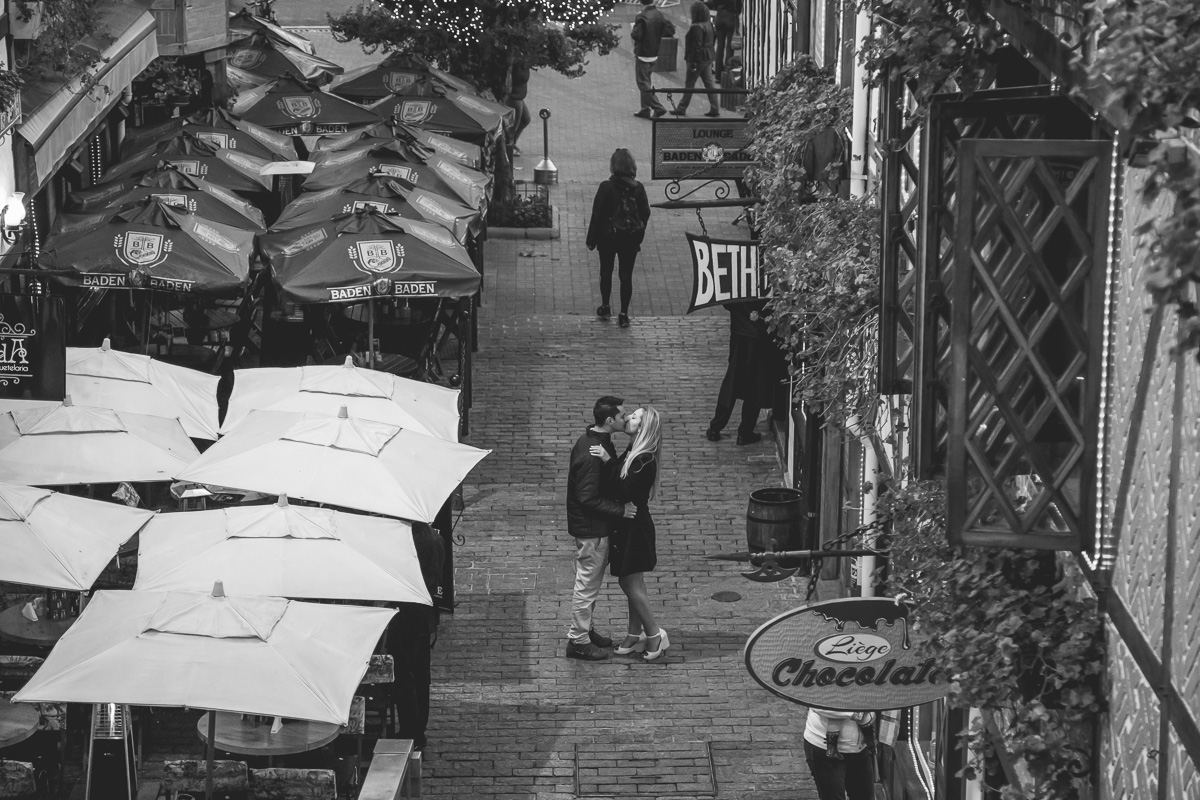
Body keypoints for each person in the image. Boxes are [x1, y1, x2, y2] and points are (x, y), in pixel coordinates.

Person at [590, 406, 670, 662]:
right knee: (634, 584)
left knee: (629, 583)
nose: (629, 419)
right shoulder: (635, 451)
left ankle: (654, 635)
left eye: (635, 417)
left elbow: (623, 491)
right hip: (629, 526)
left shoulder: (644, 458)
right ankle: (634, 635)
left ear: (644, 427)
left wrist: (606, 460)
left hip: (635, 528)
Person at [565, 396, 630, 660]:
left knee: (588, 584)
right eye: (622, 416)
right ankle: (578, 640)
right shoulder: (593, 452)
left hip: (594, 528)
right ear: (609, 421)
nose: (626, 419)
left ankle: (585, 631)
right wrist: (621, 511)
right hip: (592, 530)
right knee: (586, 586)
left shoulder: (597, 443)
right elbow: (587, 497)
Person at [586, 148, 651, 329]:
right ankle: (623, 314)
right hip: (630, 238)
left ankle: (606, 306)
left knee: (606, 272)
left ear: (614, 166)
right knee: (626, 275)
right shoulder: (638, 188)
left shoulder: (606, 187)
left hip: (608, 237)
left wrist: (592, 240)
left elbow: (597, 215)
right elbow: (645, 212)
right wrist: (638, 232)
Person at [706, 299, 784, 445]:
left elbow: (727, 301)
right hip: (762, 332)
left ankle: (716, 427)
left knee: (733, 379)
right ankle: (745, 431)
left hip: (739, 329)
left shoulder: (737, 276)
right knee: (756, 382)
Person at [803, 707, 876, 800]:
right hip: (823, 749)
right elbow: (817, 703)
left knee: (864, 796)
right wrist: (853, 713)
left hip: (860, 748)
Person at [671, 2, 721, 118]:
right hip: (708, 57)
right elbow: (713, 38)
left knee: (689, 83)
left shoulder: (696, 27)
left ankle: (682, 107)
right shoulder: (708, 24)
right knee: (709, 83)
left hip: (698, 59)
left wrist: (693, 62)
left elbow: (696, 46)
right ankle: (715, 107)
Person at [631, 0, 675, 118]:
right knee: (647, 81)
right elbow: (669, 30)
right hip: (654, 52)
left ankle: (658, 107)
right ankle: (645, 109)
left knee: (642, 83)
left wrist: (634, 26)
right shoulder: (658, 14)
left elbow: (636, 35)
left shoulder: (641, 16)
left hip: (643, 53)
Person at [710, 0, 742, 80]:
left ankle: (718, 75)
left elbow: (714, 3)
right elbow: (739, 7)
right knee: (729, 48)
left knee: (720, 47)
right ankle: (727, 74)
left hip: (720, 18)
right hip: (731, 19)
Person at [506, 59, 532, 156]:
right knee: (514, 125)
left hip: (520, 97)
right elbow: (520, 78)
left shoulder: (524, 65)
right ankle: (508, 147)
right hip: (514, 97)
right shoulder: (517, 66)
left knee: (526, 119)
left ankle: (512, 143)